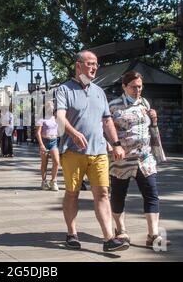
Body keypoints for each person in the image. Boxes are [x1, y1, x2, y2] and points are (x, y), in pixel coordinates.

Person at [55, 50, 129, 252]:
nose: (95, 67)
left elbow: (107, 120)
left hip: (99, 152)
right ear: (78, 65)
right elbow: (60, 117)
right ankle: (72, 233)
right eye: (90, 63)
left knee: (103, 192)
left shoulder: (99, 91)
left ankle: (109, 239)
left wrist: (116, 144)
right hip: (73, 152)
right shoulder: (64, 90)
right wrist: (72, 132)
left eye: (96, 64)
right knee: (72, 193)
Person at [108, 70, 170, 250]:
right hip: (122, 160)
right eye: (134, 87)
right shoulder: (113, 106)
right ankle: (121, 231)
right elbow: (104, 129)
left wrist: (154, 120)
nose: (137, 90)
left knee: (151, 193)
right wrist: (113, 146)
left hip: (145, 158)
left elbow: (149, 126)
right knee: (119, 194)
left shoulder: (144, 102)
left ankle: (154, 234)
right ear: (124, 86)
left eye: (140, 87)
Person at [35, 100, 59, 191]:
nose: (51, 107)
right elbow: (38, 133)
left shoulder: (55, 118)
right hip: (45, 141)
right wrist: (41, 145)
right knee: (44, 163)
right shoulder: (41, 118)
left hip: (54, 141)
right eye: (49, 105)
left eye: (52, 105)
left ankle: (53, 181)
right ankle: (44, 181)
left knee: (56, 162)